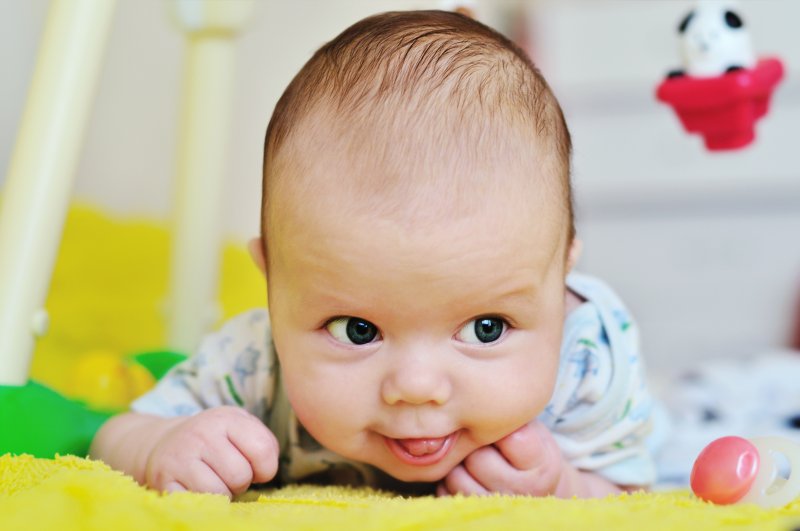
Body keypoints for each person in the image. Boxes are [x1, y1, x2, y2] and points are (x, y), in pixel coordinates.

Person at [90, 10, 657, 499]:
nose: (416, 386)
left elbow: (640, 491)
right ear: (273, 282)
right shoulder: (255, 366)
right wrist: (162, 446)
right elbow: (114, 436)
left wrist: (564, 485)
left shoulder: (586, 365)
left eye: (487, 328)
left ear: (560, 279)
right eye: (357, 330)